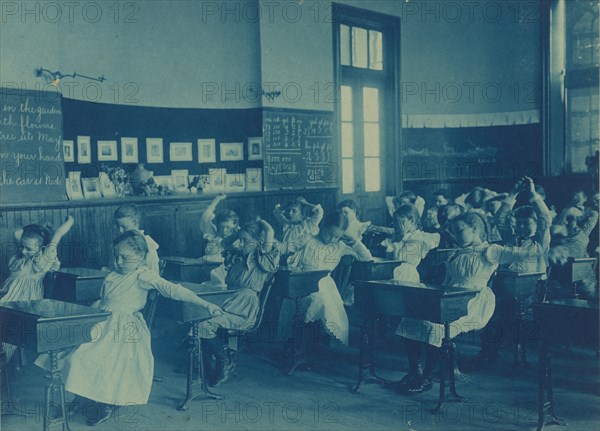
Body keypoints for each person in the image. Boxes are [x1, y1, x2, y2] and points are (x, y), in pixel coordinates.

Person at [35, 231, 223, 426]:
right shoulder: (112, 274)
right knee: (76, 357)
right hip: (101, 322)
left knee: (106, 365)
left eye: (124, 257)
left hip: (123, 329)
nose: (117, 261)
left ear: (141, 256)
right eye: (115, 256)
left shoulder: (142, 275)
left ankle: (106, 403)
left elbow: (173, 289)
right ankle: (81, 398)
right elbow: (104, 299)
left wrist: (205, 304)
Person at [396, 212, 500, 394]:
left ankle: (427, 378)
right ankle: (414, 371)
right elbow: (445, 278)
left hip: (472, 301)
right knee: (410, 320)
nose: (457, 236)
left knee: (436, 328)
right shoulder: (457, 251)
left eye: (459, 231)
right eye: (454, 232)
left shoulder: (490, 251)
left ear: (475, 229)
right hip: (449, 297)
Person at [197, 218, 280, 387]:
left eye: (245, 241)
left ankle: (223, 360)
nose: (240, 243)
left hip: (243, 309)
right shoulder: (236, 255)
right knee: (196, 318)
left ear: (259, 242)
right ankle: (210, 365)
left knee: (204, 323)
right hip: (228, 301)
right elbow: (225, 242)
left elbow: (269, 232)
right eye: (240, 240)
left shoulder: (262, 259)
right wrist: (240, 233)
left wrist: (260, 222)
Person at [278, 211, 373, 346]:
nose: (331, 240)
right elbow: (288, 256)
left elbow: (366, 258)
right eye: (329, 234)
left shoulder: (339, 246)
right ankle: (301, 341)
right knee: (310, 300)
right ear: (323, 226)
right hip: (302, 282)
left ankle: (314, 341)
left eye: (337, 236)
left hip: (325, 286)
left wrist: (354, 241)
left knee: (321, 300)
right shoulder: (308, 239)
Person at [1, 216, 75, 362]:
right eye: (21, 246)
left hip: (25, 300)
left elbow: (57, 236)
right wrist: (40, 228)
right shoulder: (20, 258)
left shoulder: (42, 260)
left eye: (28, 248)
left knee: (6, 322)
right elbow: (18, 233)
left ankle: (4, 361)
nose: (23, 251)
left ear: (41, 248)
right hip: (7, 295)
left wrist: (69, 222)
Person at [383, 204, 440, 282]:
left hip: (407, 276)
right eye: (395, 222)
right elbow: (389, 260)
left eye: (400, 222)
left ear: (412, 221)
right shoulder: (398, 237)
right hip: (392, 275)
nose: (396, 225)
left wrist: (396, 243)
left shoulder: (419, 238)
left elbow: (399, 260)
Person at [199, 193, 240, 284]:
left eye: (228, 227)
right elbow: (205, 218)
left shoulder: (238, 239)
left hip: (225, 274)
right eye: (221, 226)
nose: (224, 230)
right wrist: (217, 199)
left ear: (235, 225)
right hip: (206, 270)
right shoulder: (213, 234)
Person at [273, 196, 323, 267]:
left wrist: (305, 203)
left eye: (294, 211)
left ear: (302, 214)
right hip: (286, 260)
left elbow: (319, 211)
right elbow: (276, 211)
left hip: (304, 261)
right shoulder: (287, 224)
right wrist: (287, 206)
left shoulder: (309, 224)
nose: (290, 213)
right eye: (289, 210)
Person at [114, 204, 160, 274]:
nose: (120, 231)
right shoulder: (119, 243)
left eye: (124, 227)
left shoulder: (148, 245)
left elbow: (154, 273)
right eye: (118, 226)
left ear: (136, 223)